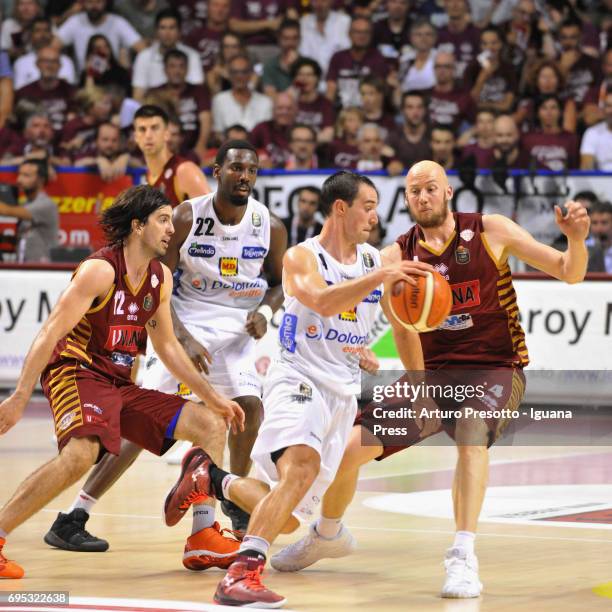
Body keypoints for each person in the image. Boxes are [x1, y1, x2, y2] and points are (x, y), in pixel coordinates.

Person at [269, 160, 590, 600]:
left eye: (430, 188)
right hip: (434, 376)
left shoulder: (491, 231)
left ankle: (462, 555)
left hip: (496, 368)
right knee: (347, 449)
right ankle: (328, 534)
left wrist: (575, 239)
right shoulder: (395, 257)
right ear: (407, 199)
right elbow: (388, 324)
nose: (422, 197)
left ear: (448, 193)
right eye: (414, 191)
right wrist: (405, 376)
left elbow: (570, 271)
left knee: (470, 434)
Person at [160, 170, 433, 606]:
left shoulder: (370, 262)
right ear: (340, 209)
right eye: (368, 206)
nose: (375, 217)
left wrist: (417, 384)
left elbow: (401, 327)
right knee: (301, 469)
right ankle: (241, 575)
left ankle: (209, 476)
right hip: (296, 381)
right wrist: (381, 278)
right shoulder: (301, 258)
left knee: (283, 516)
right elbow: (323, 301)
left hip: (341, 394)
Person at [44, 140, 287, 568]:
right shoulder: (188, 216)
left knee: (248, 408)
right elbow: (159, 280)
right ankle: (75, 514)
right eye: (235, 169)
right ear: (217, 172)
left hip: (237, 329)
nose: (244, 176)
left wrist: (267, 310)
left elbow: (280, 282)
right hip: (181, 322)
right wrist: (185, 339)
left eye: (251, 170)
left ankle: (229, 505)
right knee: (143, 428)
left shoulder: (271, 224)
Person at [0, 184, 244, 579]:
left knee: (210, 423)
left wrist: (213, 397)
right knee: (80, 455)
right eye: (162, 220)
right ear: (136, 226)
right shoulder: (100, 270)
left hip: (117, 381)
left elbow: (168, 349)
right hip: (74, 370)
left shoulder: (160, 278)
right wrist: (18, 395)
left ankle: (201, 535)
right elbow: (49, 333)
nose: (171, 228)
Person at [133, 104, 211, 206]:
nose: (148, 135)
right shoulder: (149, 176)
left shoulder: (184, 170)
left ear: (167, 134)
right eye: (142, 129)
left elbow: (211, 217)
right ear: (135, 137)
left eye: (154, 128)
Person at [0, 158, 58, 262]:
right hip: (24, 269)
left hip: (41, 271)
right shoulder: (26, 204)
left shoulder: (46, 204)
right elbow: (27, 239)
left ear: (41, 180)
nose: (19, 180)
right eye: (19, 174)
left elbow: (7, 211)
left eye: (26, 175)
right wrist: (6, 239)